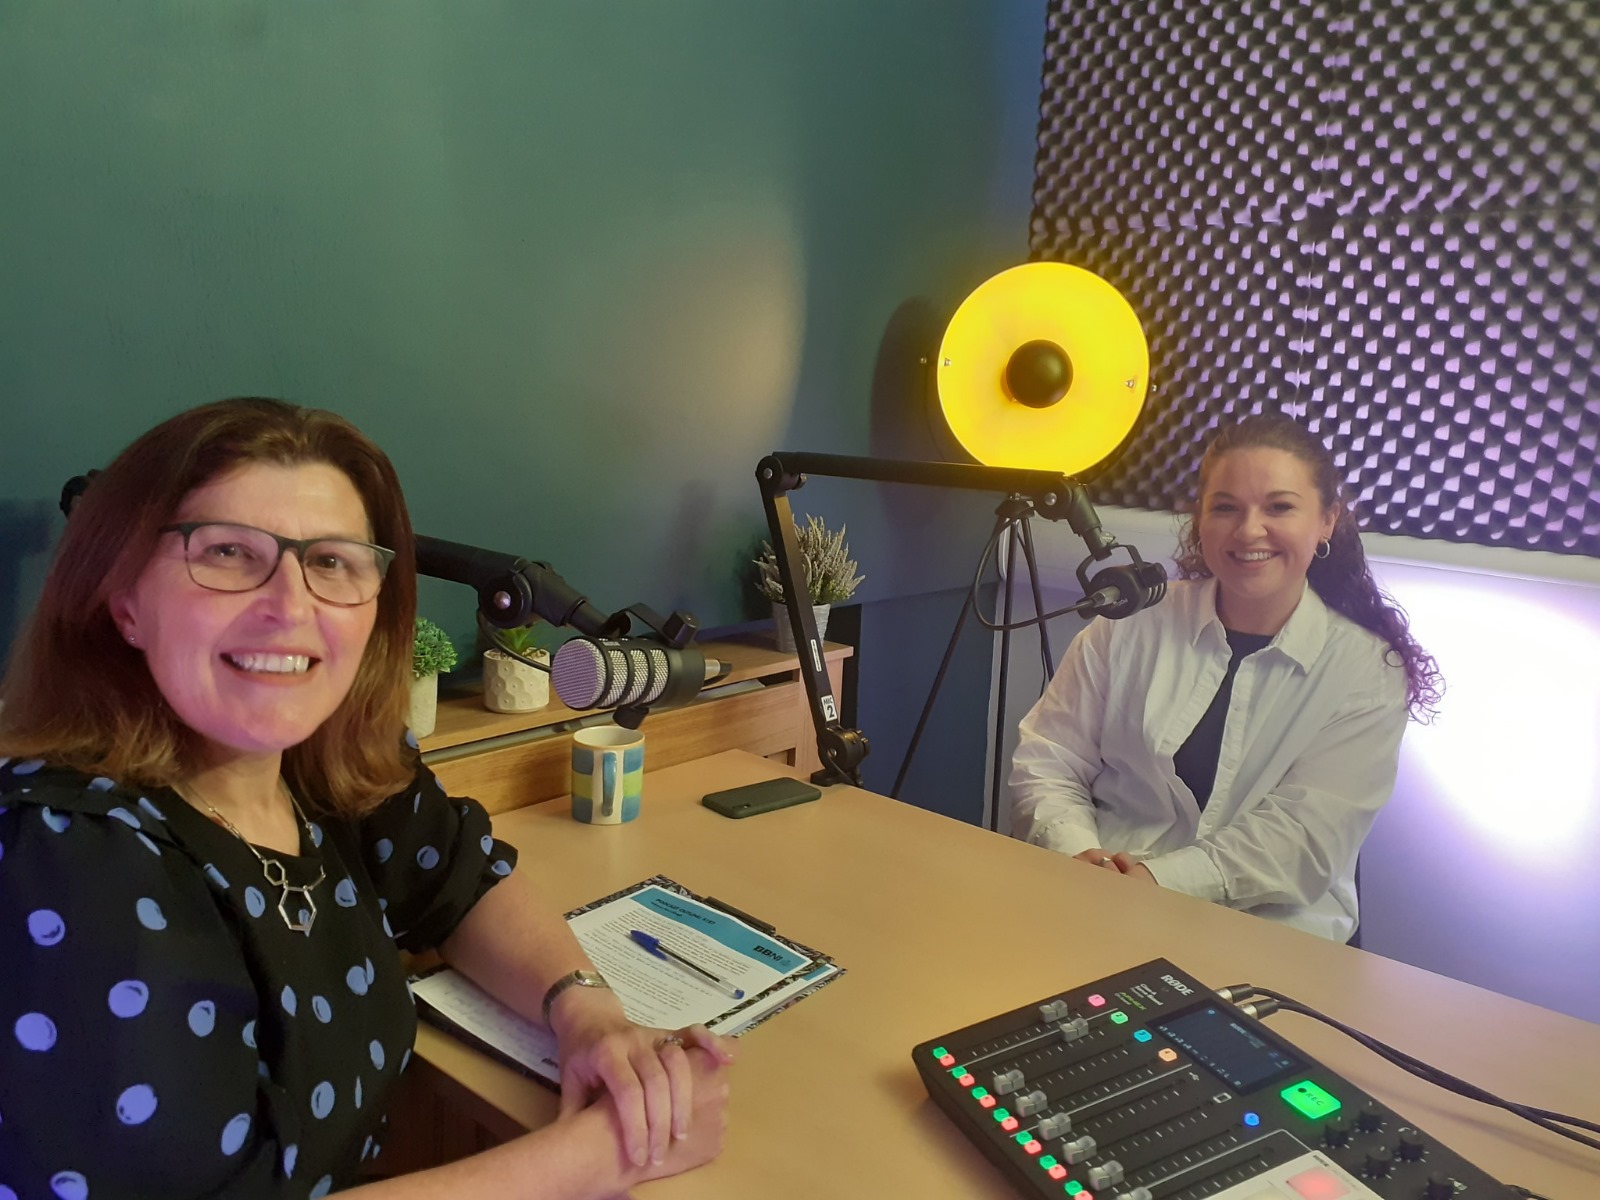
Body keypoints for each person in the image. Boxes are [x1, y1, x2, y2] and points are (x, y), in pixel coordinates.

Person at [0, 397, 734, 1199]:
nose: (290, 606)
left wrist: (588, 1013)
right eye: (228, 553)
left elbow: (459, 878)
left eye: (332, 562)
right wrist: (608, 1153)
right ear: (125, 604)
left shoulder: (326, 762)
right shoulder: (74, 856)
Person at [1009, 413, 1442, 942]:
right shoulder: (1129, 623)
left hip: (1267, 934)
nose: (1249, 530)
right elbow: (1050, 759)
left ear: (1327, 520)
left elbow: (1302, 839)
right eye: (1226, 507)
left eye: (1279, 507)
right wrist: (1080, 856)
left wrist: (1153, 881)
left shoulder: (1367, 672)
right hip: (1098, 904)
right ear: (1200, 518)